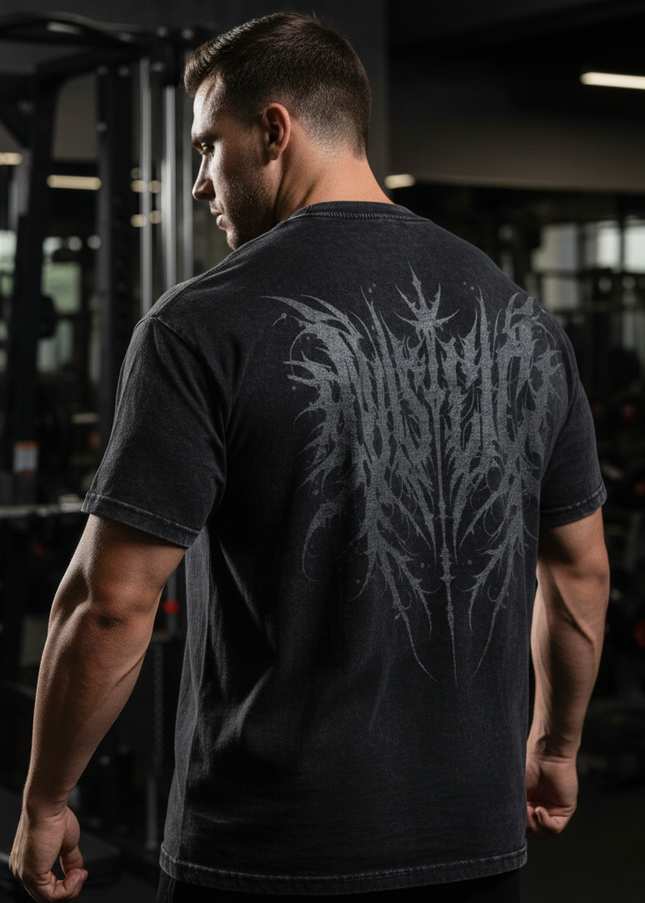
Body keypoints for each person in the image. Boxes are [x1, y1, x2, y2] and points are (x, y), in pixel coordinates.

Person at [10, 12, 609, 903]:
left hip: (268, 853)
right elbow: (580, 572)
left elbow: (109, 605)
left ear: (273, 130)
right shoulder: (523, 319)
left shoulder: (198, 323)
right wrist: (554, 749)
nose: (201, 183)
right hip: (474, 844)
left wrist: (46, 799)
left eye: (208, 147)